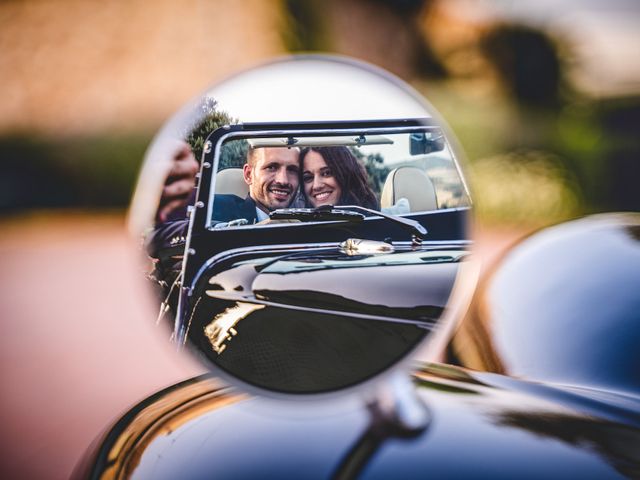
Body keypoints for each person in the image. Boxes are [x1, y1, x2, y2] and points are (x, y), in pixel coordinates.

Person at [148, 144, 300, 257]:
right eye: (271, 167)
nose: (283, 180)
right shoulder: (216, 206)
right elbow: (155, 238)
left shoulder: (309, 219)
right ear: (248, 175)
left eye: (292, 170)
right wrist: (244, 232)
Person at [299, 146, 378, 210]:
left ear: (346, 174)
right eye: (308, 177)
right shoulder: (298, 226)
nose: (316, 186)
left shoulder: (377, 221)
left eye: (327, 173)